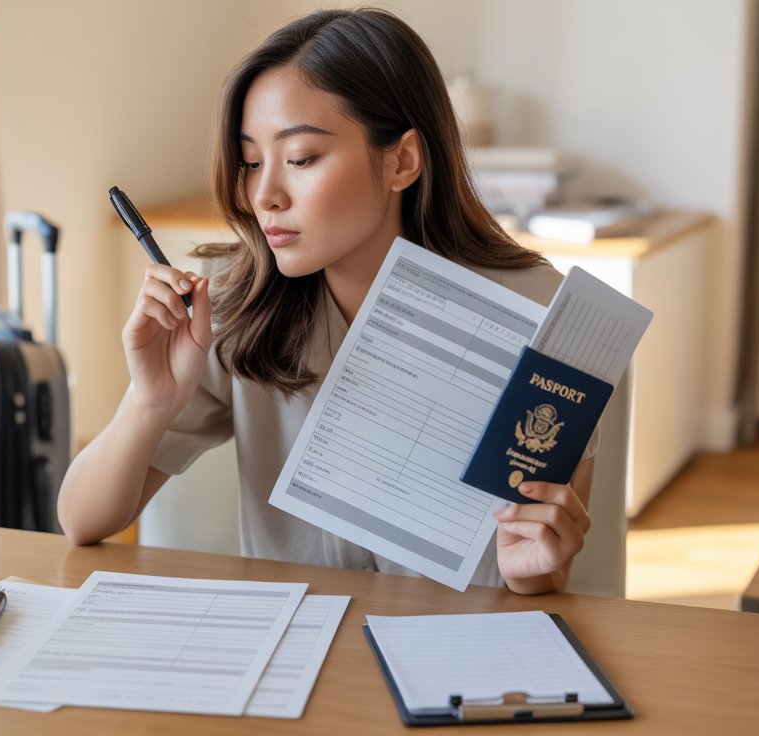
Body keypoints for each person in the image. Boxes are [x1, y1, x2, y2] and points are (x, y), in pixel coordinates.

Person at [58, 8, 595, 595]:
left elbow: (541, 575)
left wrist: (534, 570)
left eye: (301, 159)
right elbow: (82, 521)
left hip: (461, 642)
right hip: (289, 643)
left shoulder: (541, 314)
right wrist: (151, 399)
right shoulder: (232, 304)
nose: (265, 195)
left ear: (402, 161)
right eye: (251, 163)